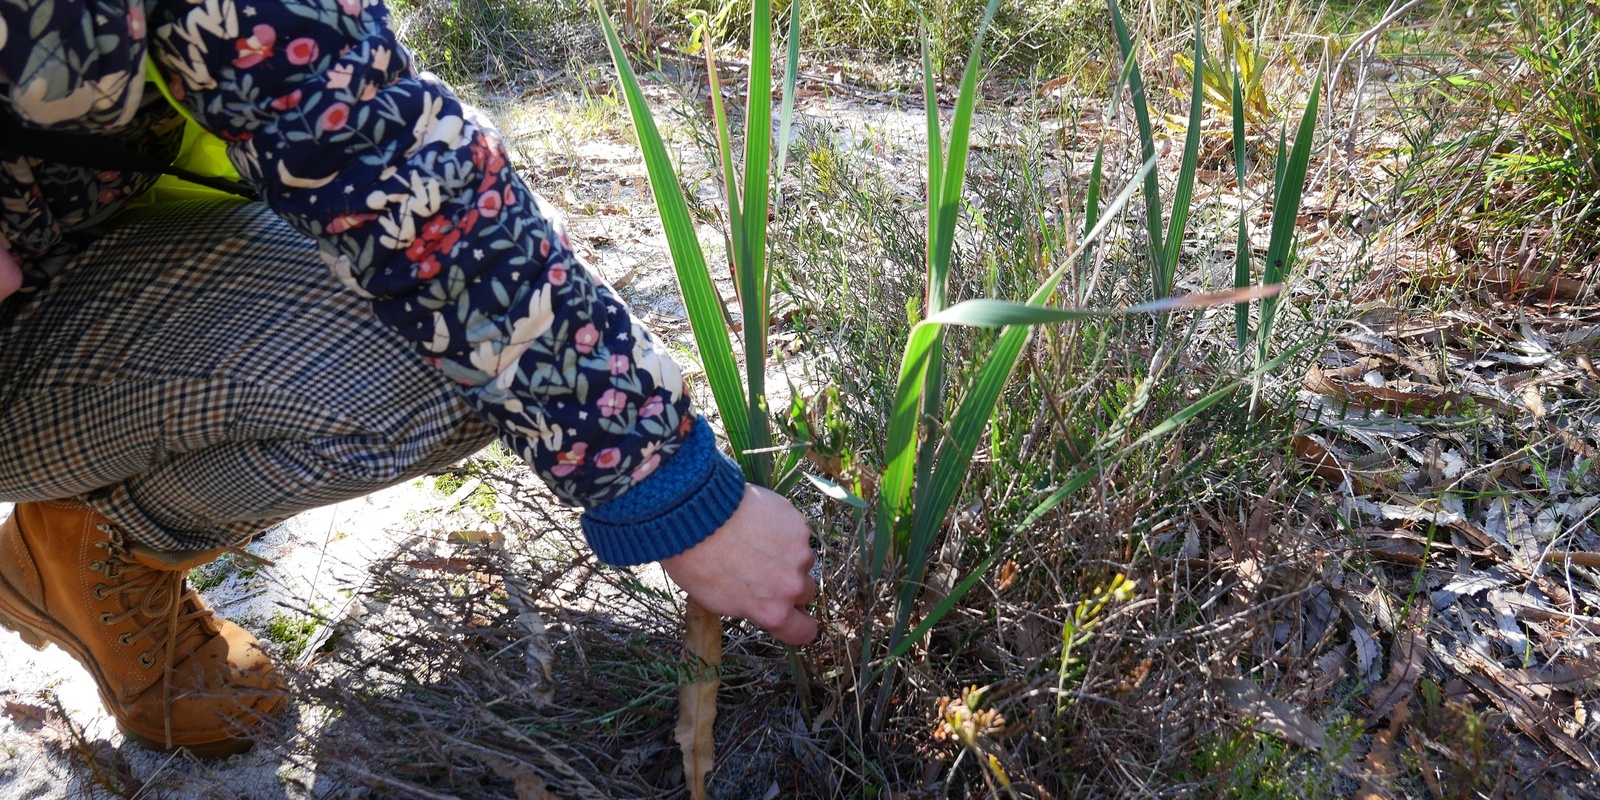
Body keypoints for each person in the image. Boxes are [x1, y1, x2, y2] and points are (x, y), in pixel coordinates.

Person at [0, 0, 818, 758]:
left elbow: (387, 153)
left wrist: (666, 485)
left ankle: (86, 540)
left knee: (448, 357)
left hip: (73, 255)